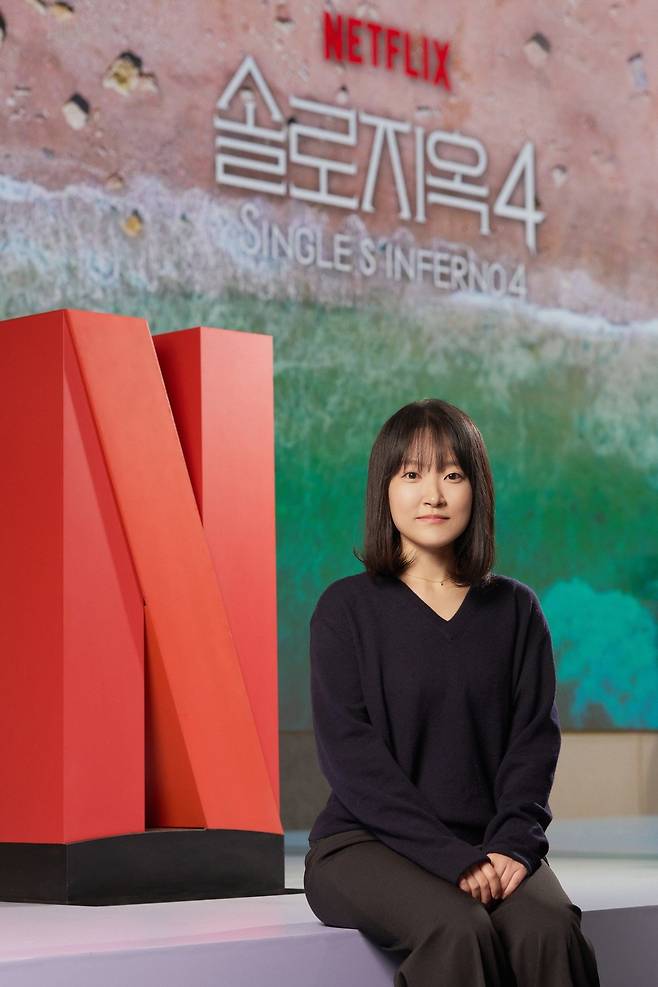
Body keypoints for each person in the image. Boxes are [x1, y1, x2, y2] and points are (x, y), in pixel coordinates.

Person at [303, 398, 601, 987]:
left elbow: (533, 746)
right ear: (385, 490)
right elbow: (353, 761)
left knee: (548, 928)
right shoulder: (345, 610)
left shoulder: (516, 610)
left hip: (490, 843)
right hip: (363, 843)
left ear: (476, 489)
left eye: (452, 474)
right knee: (458, 928)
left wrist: (514, 847)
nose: (433, 495)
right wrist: (451, 859)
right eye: (412, 474)